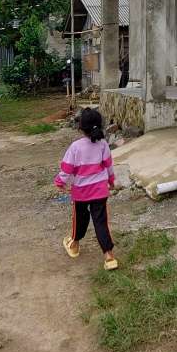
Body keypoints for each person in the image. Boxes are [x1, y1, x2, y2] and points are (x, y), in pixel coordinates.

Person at [56, 108, 118, 270]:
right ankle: (109, 256)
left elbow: (67, 169)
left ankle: (74, 245)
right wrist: (111, 181)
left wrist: (60, 182)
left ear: (80, 128)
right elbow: (108, 166)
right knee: (101, 222)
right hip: (100, 191)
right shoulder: (103, 144)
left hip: (81, 192)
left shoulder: (75, 147)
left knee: (80, 219)